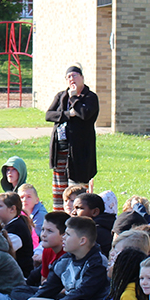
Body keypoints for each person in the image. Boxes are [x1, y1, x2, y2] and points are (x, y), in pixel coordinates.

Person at [5, 216, 108, 300]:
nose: (63, 237)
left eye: (68, 235)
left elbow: (82, 294)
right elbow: (48, 289)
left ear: (82, 241)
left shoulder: (97, 263)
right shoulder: (64, 260)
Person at [46, 64, 99, 211]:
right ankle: (59, 222)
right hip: (60, 152)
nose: (72, 79)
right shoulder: (61, 96)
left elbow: (84, 114)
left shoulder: (90, 97)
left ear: (82, 77)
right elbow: (49, 115)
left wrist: (74, 97)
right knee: (59, 195)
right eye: (68, 77)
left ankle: (76, 219)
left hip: (79, 154)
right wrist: (68, 115)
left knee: (77, 193)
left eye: (74, 75)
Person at [72, 192, 115, 257]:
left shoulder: (94, 231)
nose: (74, 212)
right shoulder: (106, 223)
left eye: (79, 208)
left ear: (95, 212)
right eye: (74, 208)